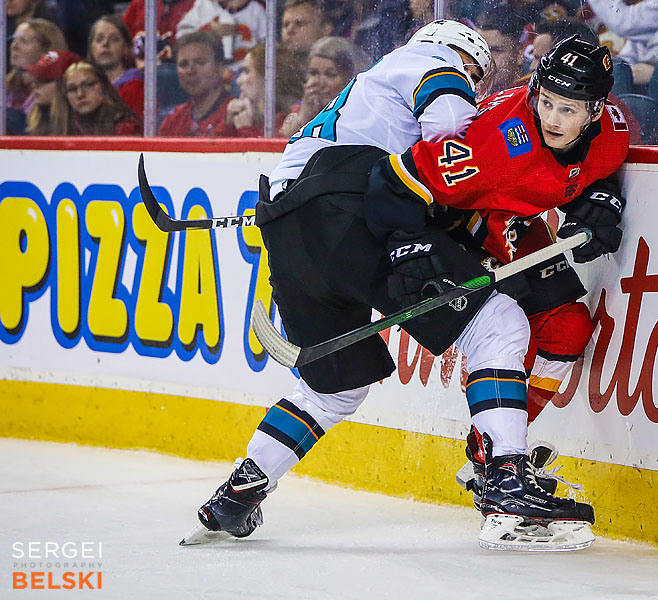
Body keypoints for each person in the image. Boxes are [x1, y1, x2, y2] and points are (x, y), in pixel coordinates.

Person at [182, 21, 595, 553]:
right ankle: (506, 479)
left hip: (289, 232)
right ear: (462, 55)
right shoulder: (422, 61)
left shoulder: (363, 94)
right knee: (497, 322)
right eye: (475, 73)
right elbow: (447, 126)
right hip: (359, 208)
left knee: (332, 388)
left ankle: (236, 496)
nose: (474, 84)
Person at [365, 36, 629, 515]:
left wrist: (600, 201)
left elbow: (589, 172)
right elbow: (395, 181)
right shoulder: (496, 141)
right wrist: (411, 250)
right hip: (457, 227)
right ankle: (503, 467)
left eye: (568, 109)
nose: (552, 118)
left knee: (568, 327)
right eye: (546, 102)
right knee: (508, 331)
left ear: (595, 111)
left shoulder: (612, 130)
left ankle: (490, 453)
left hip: (511, 223)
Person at [278, 36, 363, 137]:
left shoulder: (359, 115)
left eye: (330, 74)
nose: (320, 83)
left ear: (348, 79)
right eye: (313, 73)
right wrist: (304, 117)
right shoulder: (296, 113)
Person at [159, 31, 235, 137]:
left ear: (220, 68)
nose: (190, 71)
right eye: (184, 64)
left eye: (200, 62)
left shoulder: (236, 114)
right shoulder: (173, 120)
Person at [226, 43, 306, 136]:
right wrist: (228, 125)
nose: (238, 81)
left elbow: (276, 149)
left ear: (268, 77)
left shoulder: (291, 120)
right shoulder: (248, 115)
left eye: (247, 71)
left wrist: (246, 130)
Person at [6, 18, 68, 128]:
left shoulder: (59, 89)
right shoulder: (4, 87)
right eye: (14, 40)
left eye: (23, 41)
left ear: (46, 51)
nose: (14, 46)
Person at [87, 15, 145, 120]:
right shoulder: (84, 86)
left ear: (126, 48)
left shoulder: (136, 88)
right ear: (91, 48)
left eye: (114, 39)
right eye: (99, 39)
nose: (105, 43)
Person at [64, 61, 142, 135]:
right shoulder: (67, 126)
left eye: (88, 85)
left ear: (104, 86)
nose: (80, 94)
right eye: (72, 89)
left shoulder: (125, 127)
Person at [176, 0, 267, 63]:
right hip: (209, 76)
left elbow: (268, 48)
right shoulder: (203, 5)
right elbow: (180, 38)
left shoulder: (257, 10)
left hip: (246, 73)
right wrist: (207, 30)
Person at [23, 49, 80, 135]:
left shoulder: (81, 125)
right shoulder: (29, 123)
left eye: (45, 80)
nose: (35, 86)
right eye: (37, 79)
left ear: (66, 85)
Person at [279, 0, 333, 68]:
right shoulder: (272, 68)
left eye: (299, 23)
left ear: (325, 29)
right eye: (286, 25)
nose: (289, 30)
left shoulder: (340, 68)